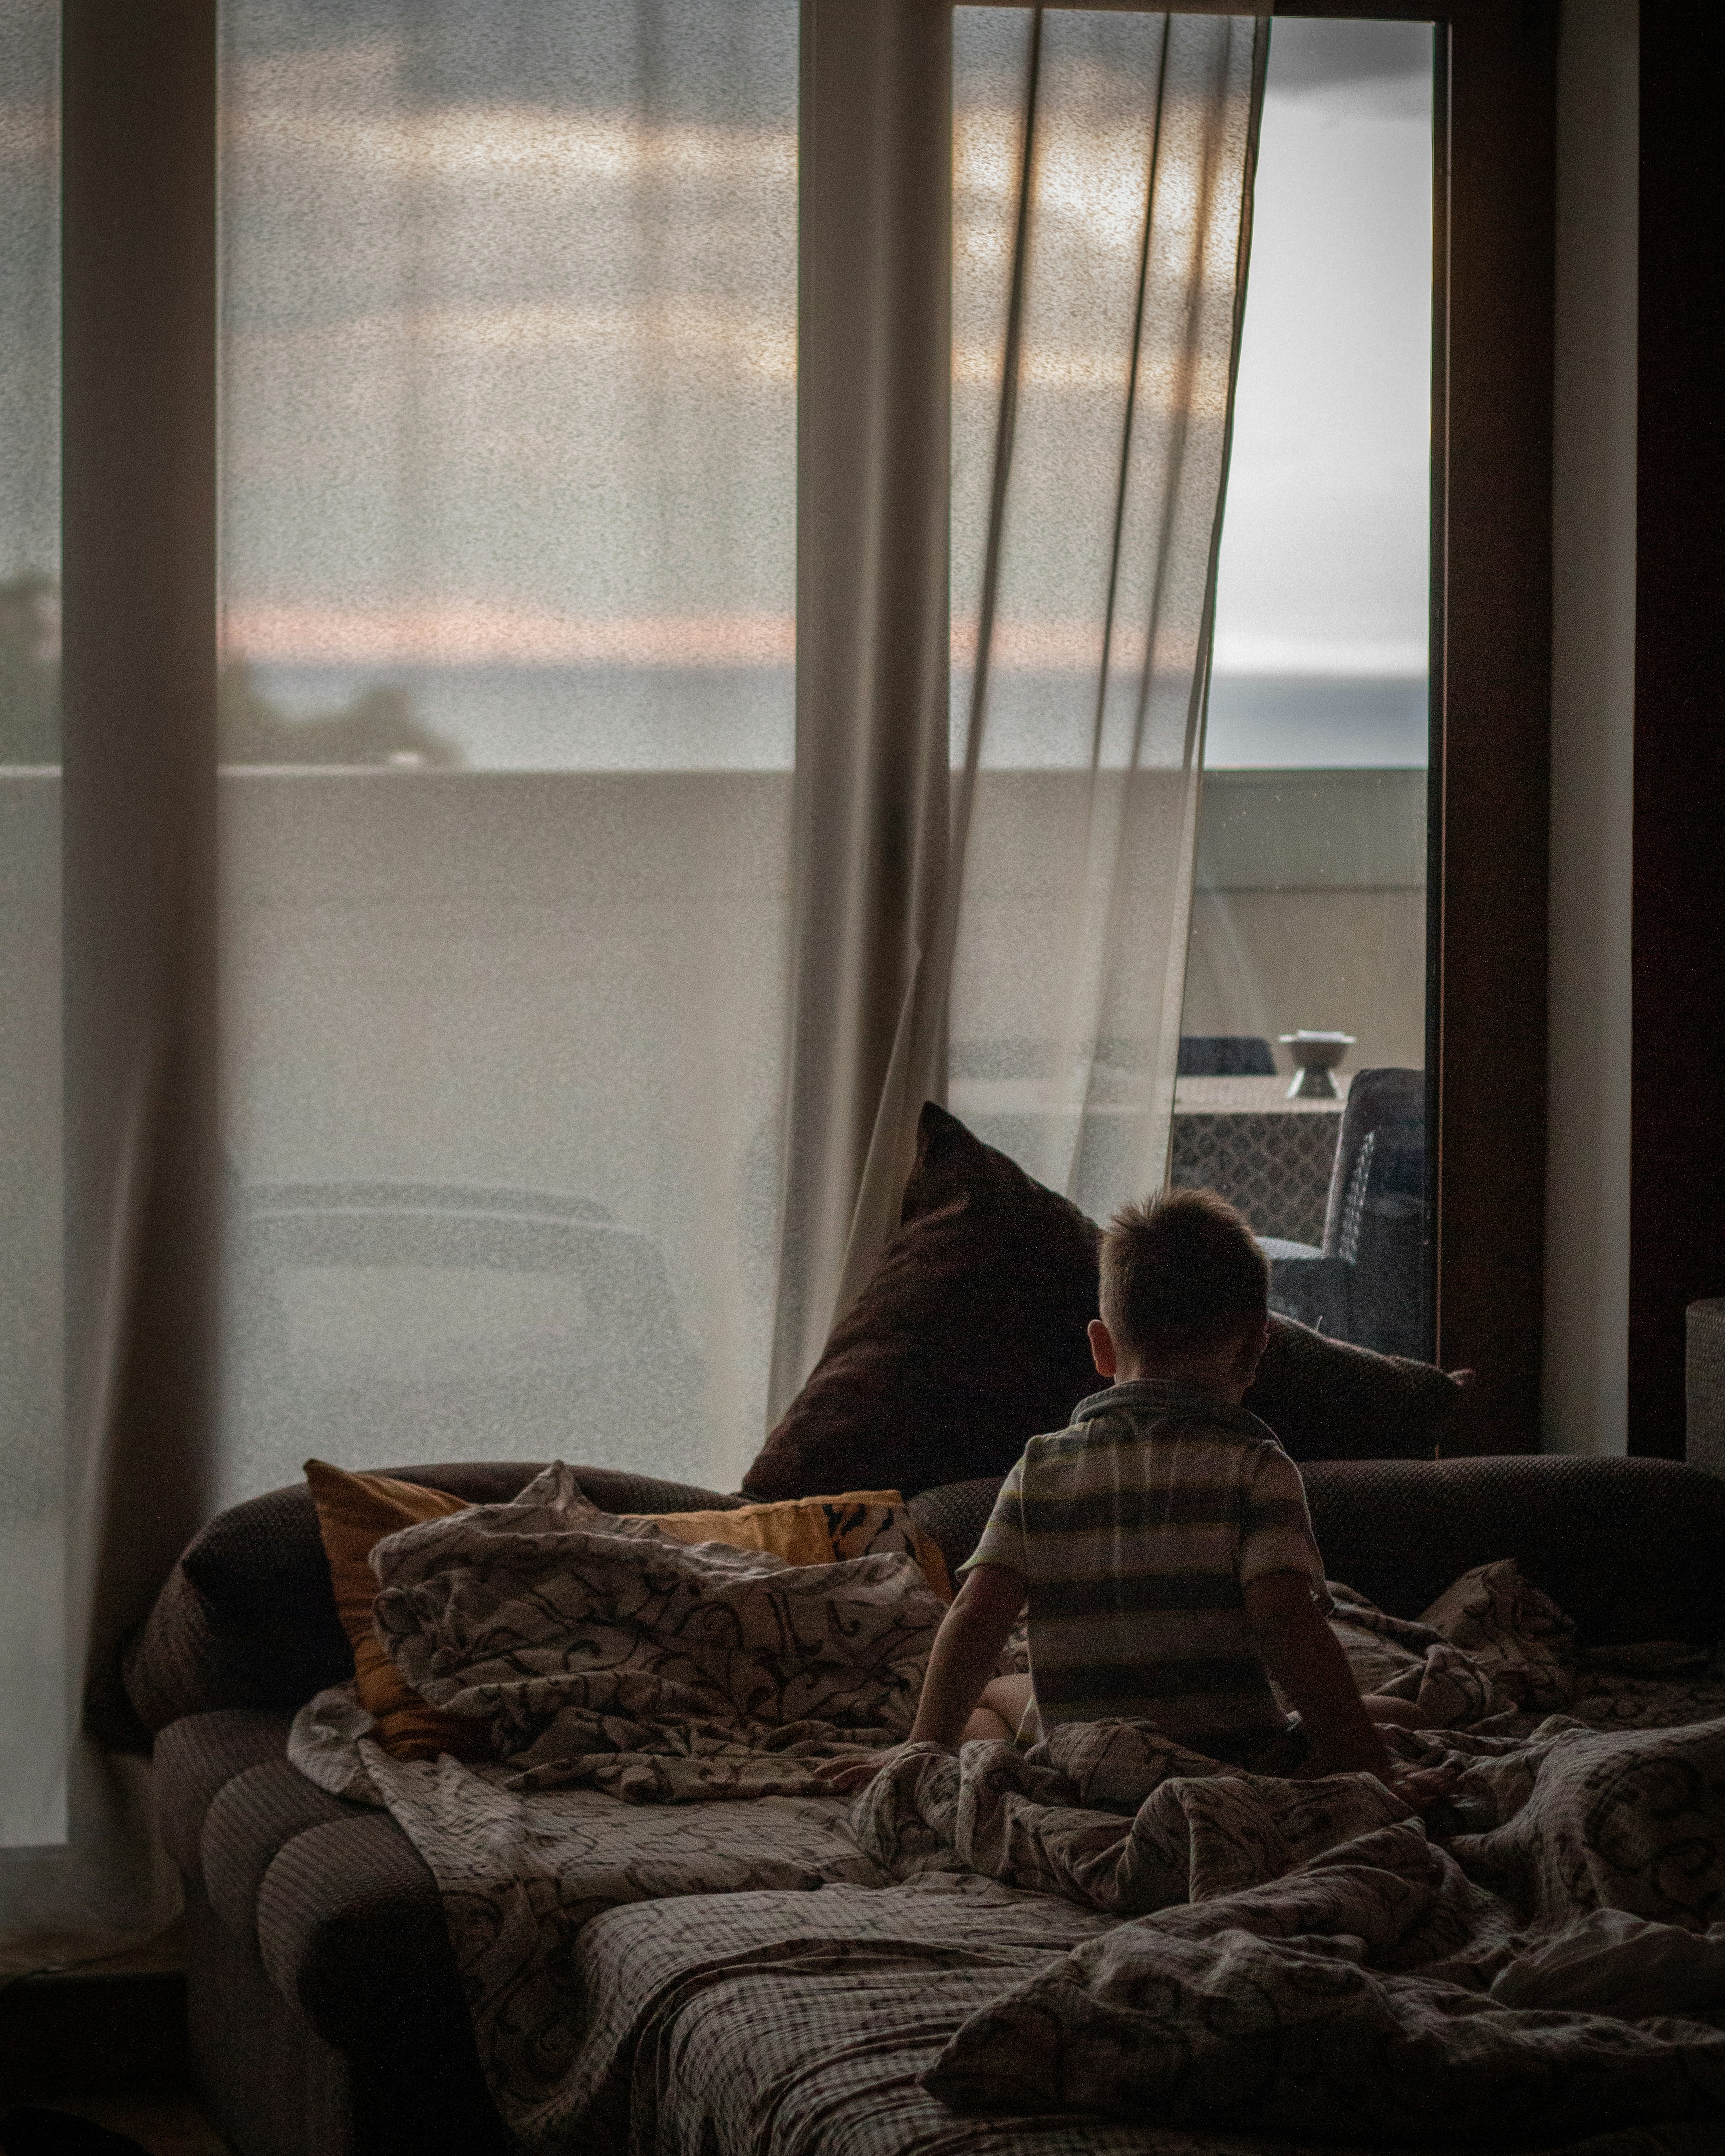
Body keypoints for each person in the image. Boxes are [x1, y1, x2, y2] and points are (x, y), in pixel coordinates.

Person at [902, 1187, 1449, 1793]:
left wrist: (920, 1749)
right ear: (1257, 1348)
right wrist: (1355, 1747)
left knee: (987, 1703)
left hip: (1087, 1767)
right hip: (1231, 1758)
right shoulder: (1257, 1469)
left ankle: (970, 1754)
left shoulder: (1040, 1468)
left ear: (1102, 1348)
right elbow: (1286, 1620)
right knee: (1405, 1717)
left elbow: (977, 1616)